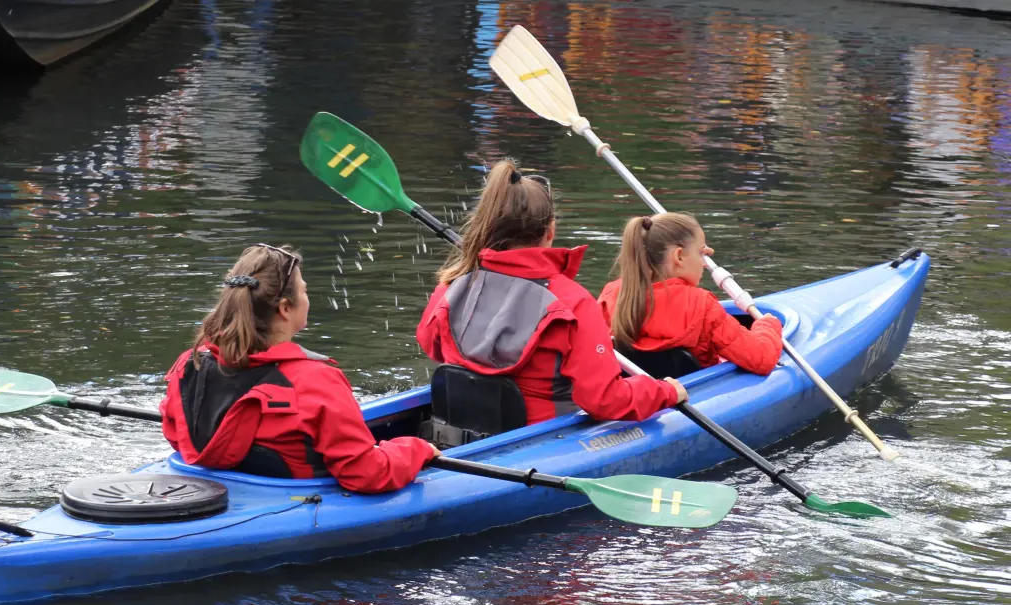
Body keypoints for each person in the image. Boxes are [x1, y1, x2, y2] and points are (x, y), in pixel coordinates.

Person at [416, 160, 686, 426]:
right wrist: (664, 391)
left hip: (455, 433)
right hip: (538, 440)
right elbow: (606, 400)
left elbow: (431, 345)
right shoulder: (573, 302)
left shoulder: (452, 286)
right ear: (550, 230)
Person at [160, 243, 439, 494]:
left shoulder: (189, 364)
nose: (308, 298)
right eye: (304, 291)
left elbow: (176, 435)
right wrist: (416, 449)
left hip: (217, 485)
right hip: (294, 501)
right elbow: (366, 474)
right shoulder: (316, 380)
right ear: (285, 308)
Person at [597, 213, 782, 375]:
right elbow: (762, 358)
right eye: (701, 252)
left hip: (639, 389)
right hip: (694, 394)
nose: (705, 262)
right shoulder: (701, 304)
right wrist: (767, 325)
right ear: (678, 257)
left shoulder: (610, 294)